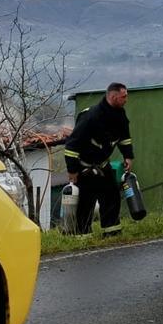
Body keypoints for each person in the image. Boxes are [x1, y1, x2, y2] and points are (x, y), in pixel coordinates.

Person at [64, 82, 135, 235]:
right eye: (123, 97)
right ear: (113, 97)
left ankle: (112, 232)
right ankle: (82, 236)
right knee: (85, 203)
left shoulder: (120, 115)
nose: (126, 100)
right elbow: (71, 146)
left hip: (102, 166)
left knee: (112, 197)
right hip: (84, 168)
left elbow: (124, 138)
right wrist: (72, 170)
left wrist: (128, 156)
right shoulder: (90, 116)